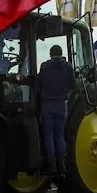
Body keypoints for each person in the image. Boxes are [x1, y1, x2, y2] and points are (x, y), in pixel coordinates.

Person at [38, 44, 75, 176]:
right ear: (61, 53)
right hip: (61, 105)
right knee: (59, 136)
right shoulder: (69, 67)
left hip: (47, 105)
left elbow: (39, 84)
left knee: (48, 136)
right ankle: (62, 165)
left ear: (50, 54)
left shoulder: (44, 66)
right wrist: (65, 97)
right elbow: (72, 86)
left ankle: (51, 165)